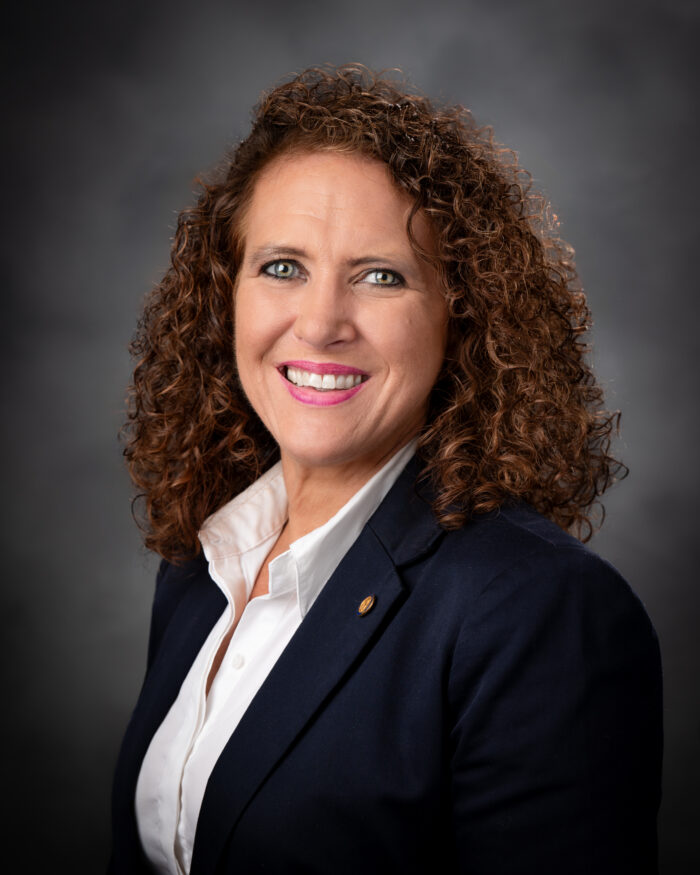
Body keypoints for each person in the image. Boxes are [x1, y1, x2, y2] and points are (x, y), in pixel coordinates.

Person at [109, 65, 662, 874]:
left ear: (461, 316)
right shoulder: (200, 567)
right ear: (225, 295)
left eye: (381, 276)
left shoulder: (543, 612)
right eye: (283, 267)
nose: (321, 323)